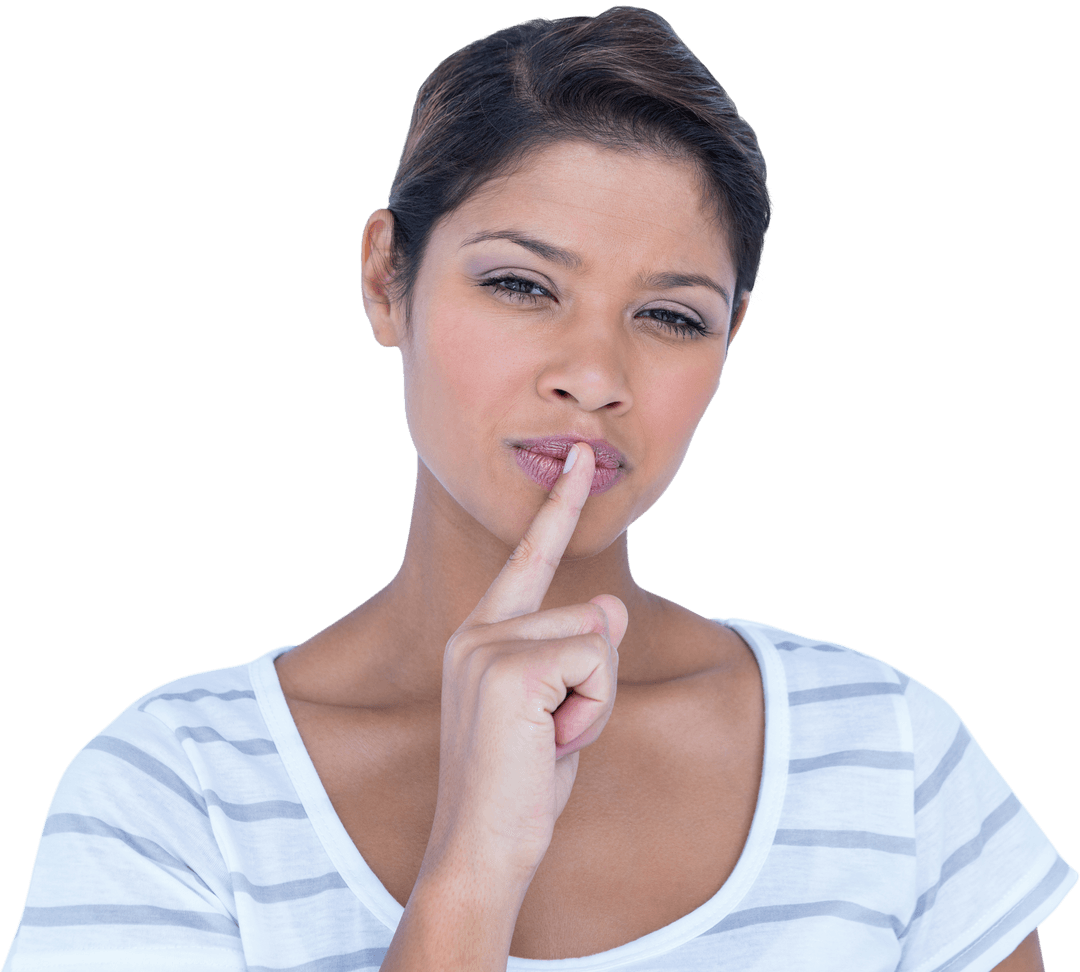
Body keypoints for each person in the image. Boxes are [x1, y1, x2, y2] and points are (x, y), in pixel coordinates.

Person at [3, 7, 1074, 971]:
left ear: (730, 342)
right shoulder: (172, 794)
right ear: (387, 280)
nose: (596, 378)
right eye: (522, 285)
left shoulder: (886, 753)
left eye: (672, 317)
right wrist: (471, 870)